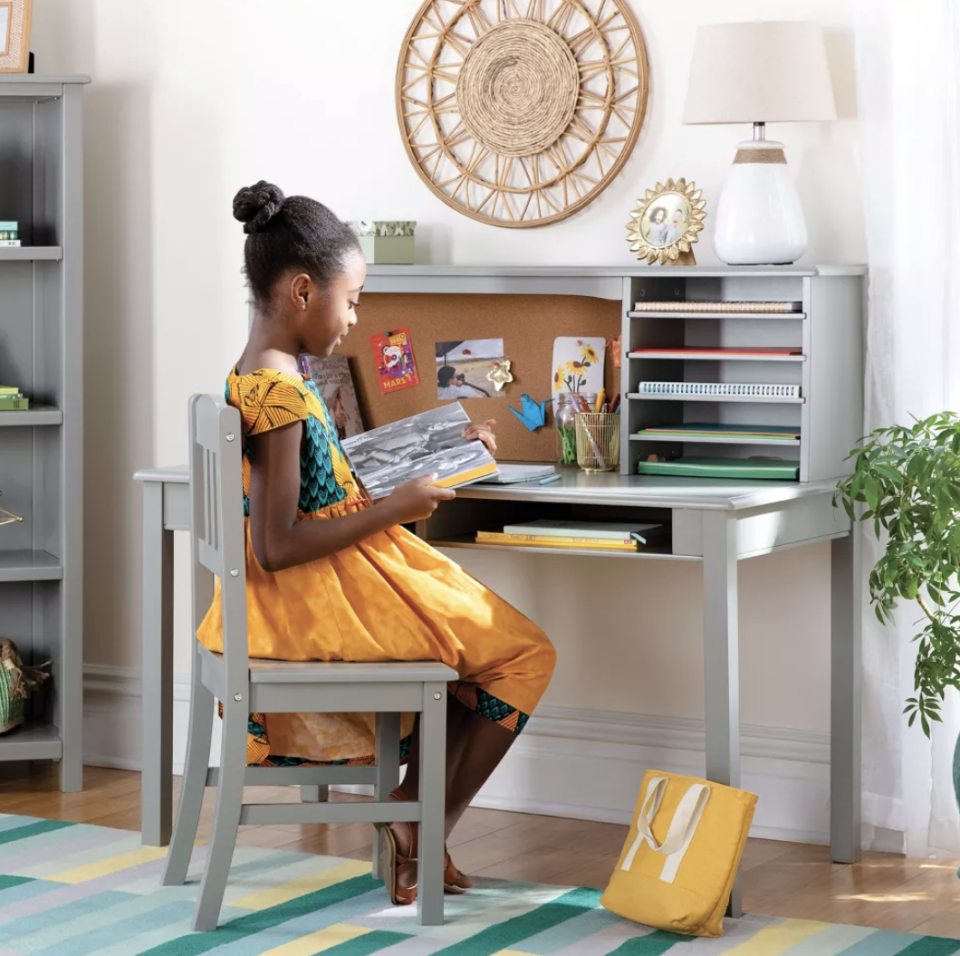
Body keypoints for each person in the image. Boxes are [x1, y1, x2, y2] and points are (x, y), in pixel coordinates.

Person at [198, 181, 556, 906]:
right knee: (522, 655)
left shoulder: (265, 374)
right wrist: (398, 506)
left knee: (481, 650)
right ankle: (422, 827)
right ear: (303, 290)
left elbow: (321, 480)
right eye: (352, 299)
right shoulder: (280, 391)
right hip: (315, 598)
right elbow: (275, 544)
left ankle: (417, 825)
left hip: (329, 584)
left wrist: (439, 448)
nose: (355, 318)